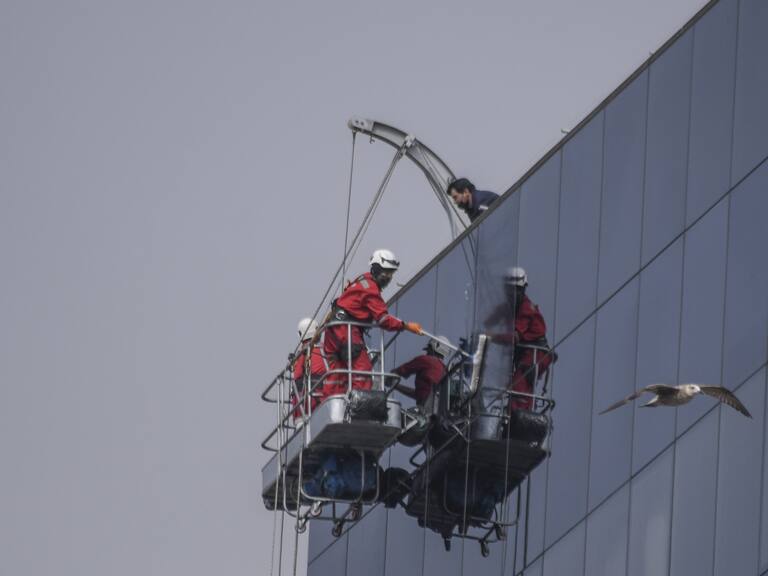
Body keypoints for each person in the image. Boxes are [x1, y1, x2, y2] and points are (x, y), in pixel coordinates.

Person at [324, 249, 422, 397]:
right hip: (346, 331)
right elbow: (383, 320)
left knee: (338, 373)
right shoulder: (371, 290)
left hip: (333, 331)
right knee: (362, 370)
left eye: (391, 273)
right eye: (386, 272)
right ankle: (360, 406)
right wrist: (407, 326)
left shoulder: (362, 279)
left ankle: (332, 401)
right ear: (376, 269)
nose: (389, 277)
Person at [484, 267, 554, 411]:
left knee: (519, 385)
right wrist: (482, 325)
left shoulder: (526, 309)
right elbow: (491, 319)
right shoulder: (510, 307)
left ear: (522, 290)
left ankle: (518, 414)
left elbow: (514, 338)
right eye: (508, 290)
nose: (510, 294)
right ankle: (514, 412)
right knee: (513, 385)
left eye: (513, 290)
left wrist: (490, 337)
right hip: (524, 353)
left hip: (535, 354)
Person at [389, 337, 450, 412]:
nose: (426, 353)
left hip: (425, 410)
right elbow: (419, 394)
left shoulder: (426, 360)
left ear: (433, 348)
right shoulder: (445, 370)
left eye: (428, 349)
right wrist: (396, 386)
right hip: (437, 413)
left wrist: (390, 375)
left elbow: (402, 370)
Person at [291, 317, 329, 418]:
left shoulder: (300, 357)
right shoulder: (325, 351)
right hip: (324, 399)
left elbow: (297, 377)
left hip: (303, 405)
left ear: (300, 334)